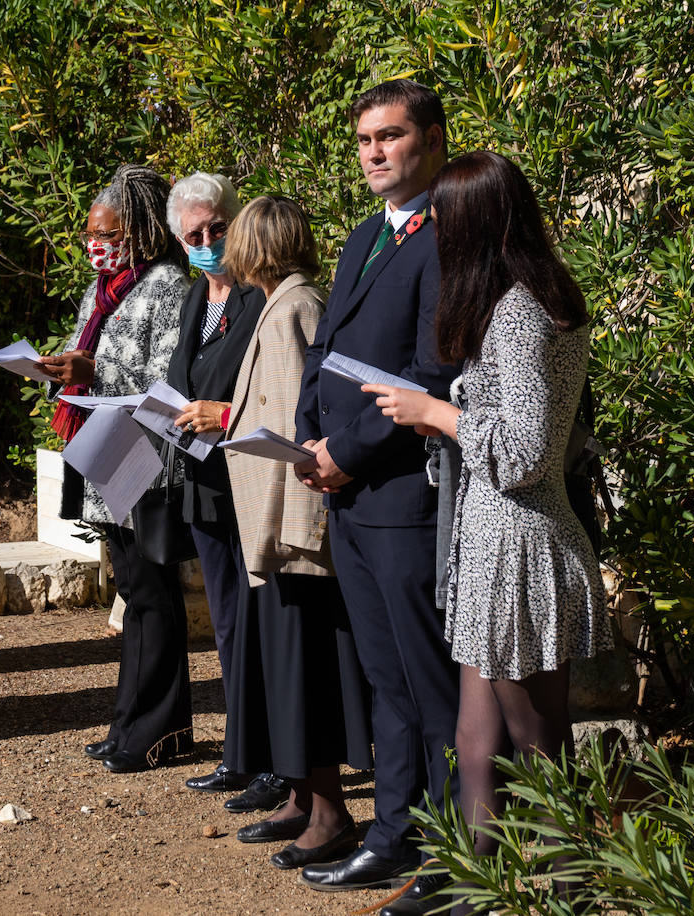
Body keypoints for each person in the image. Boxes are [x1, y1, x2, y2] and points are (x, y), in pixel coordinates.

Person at [365, 150, 610, 916]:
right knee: (477, 741)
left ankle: (574, 893)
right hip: (494, 542)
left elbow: (529, 454)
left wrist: (435, 413)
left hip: (521, 544)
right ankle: (476, 891)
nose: (433, 230)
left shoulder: (521, 313)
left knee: (538, 745)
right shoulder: (519, 300)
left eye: (443, 216)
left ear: (475, 222)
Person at [292, 79, 462, 897]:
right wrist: (305, 441)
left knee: (427, 682)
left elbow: (432, 374)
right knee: (384, 678)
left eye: (389, 137)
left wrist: (348, 454)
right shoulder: (364, 235)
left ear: (431, 141)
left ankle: (449, 850)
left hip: (401, 495)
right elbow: (325, 352)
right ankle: (394, 832)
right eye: (364, 140)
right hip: (346, 489)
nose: (373, 153)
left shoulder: (449, 237)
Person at [218, 195, 374, 870]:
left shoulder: (296, 307)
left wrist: (301, 530)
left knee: (306, 672)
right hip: (269, 527)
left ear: (257, 246)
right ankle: (305, 797)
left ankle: (331, 809)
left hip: (290, 532)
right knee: (283, 673)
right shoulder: (279, 303)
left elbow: (305, 422)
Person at [39, 164, 192, 774]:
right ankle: (129, 720)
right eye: (87, 236)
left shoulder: (167, 287)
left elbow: (166, 381)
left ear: (140, 230)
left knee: (154, 596)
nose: (94, 246)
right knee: (132, 591)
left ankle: (161, 730)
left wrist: (92, 374)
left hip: (147, 461)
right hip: (103, 452)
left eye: (107, 234)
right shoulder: (105, 291)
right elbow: (90, 351)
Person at [164, 172, 286, 813]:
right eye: (195, 234)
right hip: (203, 480)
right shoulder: (194, 297)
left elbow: (268, 388)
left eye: (218, 227)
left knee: (262, 623)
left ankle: (272, 760)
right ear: (179, 241)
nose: (209, 241)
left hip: (249, 478)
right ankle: (240, 753)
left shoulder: (257, 297)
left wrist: (223, 409)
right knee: (229, 624)